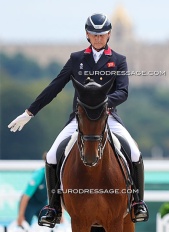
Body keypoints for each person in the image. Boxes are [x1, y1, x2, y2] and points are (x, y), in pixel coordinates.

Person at [8, 13, 148, 228]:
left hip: (107, 116)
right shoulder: (76, 59)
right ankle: (54, 207)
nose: (98, 38)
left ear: (109, 34)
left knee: (135, 152)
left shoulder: (118, 60)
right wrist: (29, 112)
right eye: (94, 34)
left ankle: (137, 202)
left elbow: (123, 91)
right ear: (87, 35)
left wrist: (101, 102)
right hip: (80, 118)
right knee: (53, 154)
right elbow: (55, 86)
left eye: (102, 35)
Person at [17, 153, 47, 227]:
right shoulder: (39, 175)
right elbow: (25, 196)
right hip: (30, 204)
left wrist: (60, 214)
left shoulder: (57, 176)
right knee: (24, 226)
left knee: (48, 226)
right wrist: (20, 215)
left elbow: (59, 196)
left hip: (43, 203)